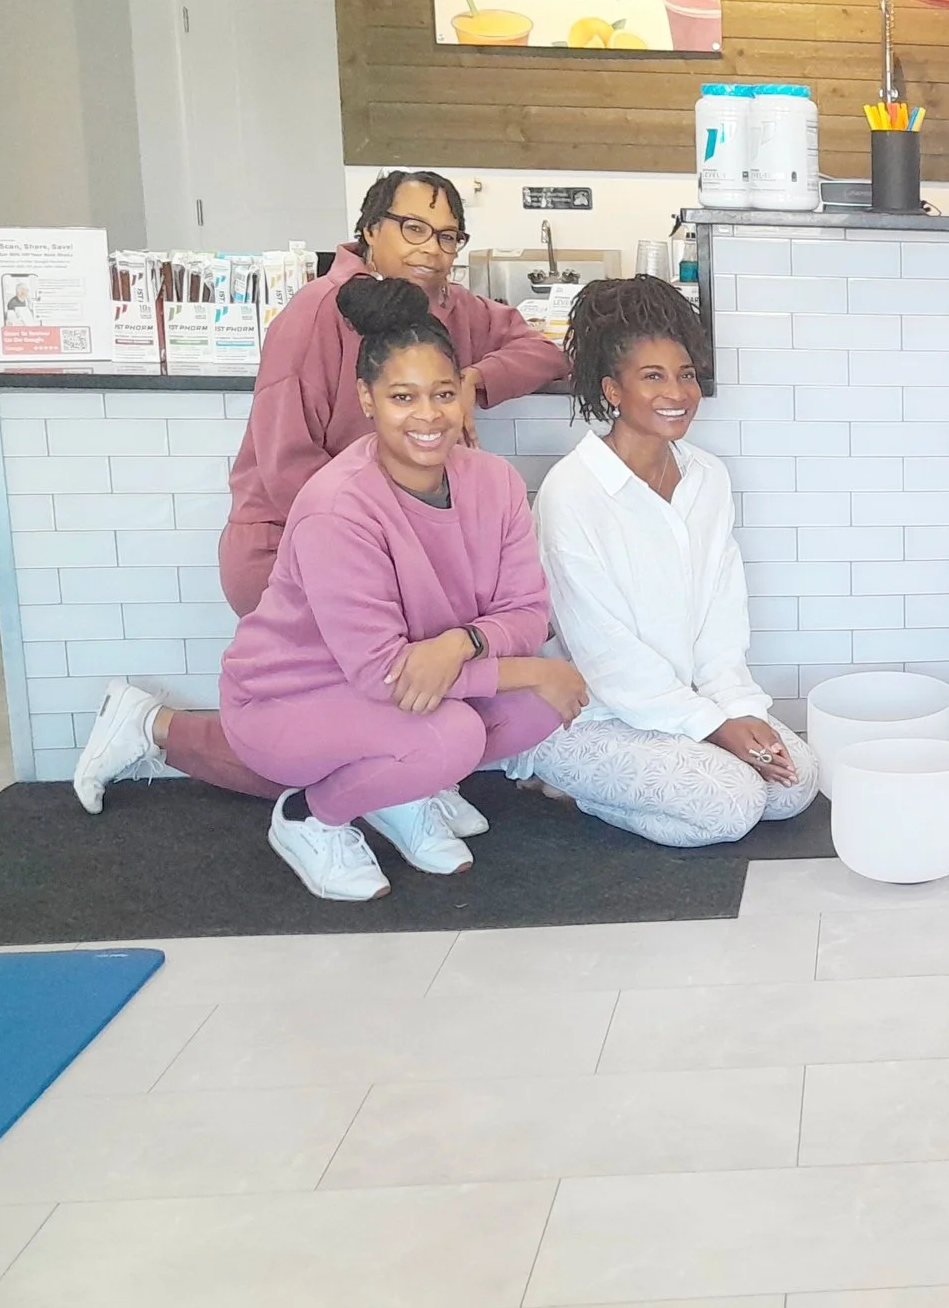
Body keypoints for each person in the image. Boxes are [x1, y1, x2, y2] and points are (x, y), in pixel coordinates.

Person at [71, 278, 589, 901]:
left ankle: (401, 788)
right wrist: (524, 667)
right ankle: (310, 816)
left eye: (443, 394)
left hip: (414, 678)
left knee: (537, 705)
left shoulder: (495, 482)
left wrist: (460, 644)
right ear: (367, 399)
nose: (428, 416)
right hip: (291, 698)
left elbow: (527, 612)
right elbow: (381, 674)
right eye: (403, 397)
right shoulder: (337, 506)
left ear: (463, 394)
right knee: (453, 734)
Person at [513, 276, 819, 846]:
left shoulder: (707, 478)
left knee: (794, 785)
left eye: (686, 374)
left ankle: (688, 762)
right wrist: (713, 727)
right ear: (612, 390)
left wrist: (735, 707)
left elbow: (720, 611)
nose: (677, 392)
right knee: (733, 805)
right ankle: (566, 784)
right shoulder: (572, 491)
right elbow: (604, 652)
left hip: (687, 703)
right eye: (652, 376)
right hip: (591, 714)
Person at [219, 168, 568, 616]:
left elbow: (546, 353)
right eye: (413, 228)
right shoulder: (318, 311)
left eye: (447, 237)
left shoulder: (452, 305)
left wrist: (472, 380)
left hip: (400, 548)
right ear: (370, 229)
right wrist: (388, 540)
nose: (431, 248)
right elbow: (286, 465)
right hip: (293, 545)